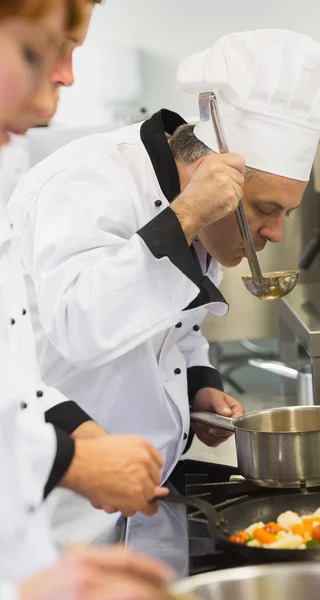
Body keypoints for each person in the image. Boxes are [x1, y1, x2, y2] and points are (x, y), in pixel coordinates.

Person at [8, 29, 320, 547]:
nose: (276, 234)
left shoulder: (193, 217)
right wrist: (188, 215)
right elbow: (80, 325)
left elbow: (178, 322)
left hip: (148, 495)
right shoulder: (86, 181)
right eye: (265, 209)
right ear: (207, 177)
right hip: (62, 511)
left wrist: (198, 382)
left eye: (286, 213)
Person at [0, 1, 172, 598]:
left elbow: (12, 376)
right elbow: (74, 324)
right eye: (35, 51)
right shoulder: (78, 180)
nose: (62, 81)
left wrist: (33, 577)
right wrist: (69, 462)